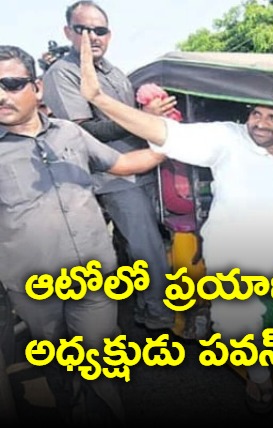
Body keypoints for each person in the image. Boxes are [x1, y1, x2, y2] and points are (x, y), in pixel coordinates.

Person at [77, 30, 273, 414]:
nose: (259, 123)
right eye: (255, 114)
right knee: (239, 321)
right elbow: (163, 132)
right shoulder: (228, 139)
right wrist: (99, 99)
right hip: (236, 250)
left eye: (272, 117)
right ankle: (258, 381)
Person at [0, 45, 165, 426]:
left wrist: (169, 145)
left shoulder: (71, 133)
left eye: (11, 83)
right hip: (33, 288)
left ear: (37, 88)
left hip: (94, 277)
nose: (2, 95)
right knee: (57, 362)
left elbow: (122, 163)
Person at [42, 1, 177, 330]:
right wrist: (144, 119)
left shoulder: (114, 71)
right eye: (82, 29)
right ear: (68, 32)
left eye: (99, 30)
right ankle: (157, 317)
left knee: (149, 241)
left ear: (109, 34)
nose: (92, 36)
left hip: (145, 164)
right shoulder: (62, 73)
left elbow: (129, 115)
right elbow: (83, 130)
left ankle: (143, 304)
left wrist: (152, 108)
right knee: (146, 245)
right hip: (112, 174)